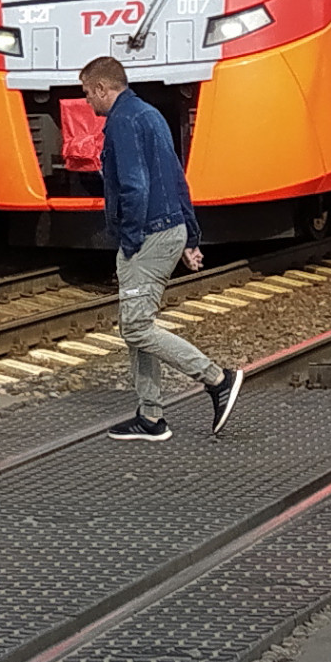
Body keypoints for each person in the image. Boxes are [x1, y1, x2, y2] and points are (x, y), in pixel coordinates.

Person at [81, 56, 244, 442]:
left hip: (148, 235)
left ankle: (217, 379)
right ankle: (150, 415)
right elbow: (176, 179)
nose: (88, 102)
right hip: (167, 229)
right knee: (138, 327)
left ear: (104, 89)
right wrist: (189, 236)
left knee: (136, 327)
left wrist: (131, 239)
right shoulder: (150, 114)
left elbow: (135, 187)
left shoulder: (122, 121)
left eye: (88, 94)